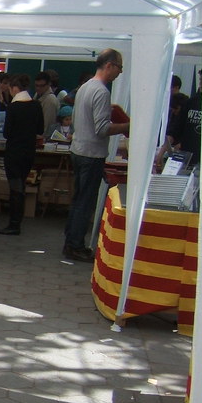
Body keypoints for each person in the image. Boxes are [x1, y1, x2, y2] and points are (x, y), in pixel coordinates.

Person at [63, 49, 129, 262]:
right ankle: (75, 245)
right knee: (85, 201)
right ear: (109, 65)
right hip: (91, 153)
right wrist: (128, 126)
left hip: (79, 149)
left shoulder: (84, 87)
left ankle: (70, 241)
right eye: (119, 67)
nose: (119, 73)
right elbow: (102, 129)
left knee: (78, 199)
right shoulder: (101, 91)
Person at [0, 73, 44, 236]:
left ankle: (14, 224)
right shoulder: (36, 105)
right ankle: (17, 222)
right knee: (21, 185)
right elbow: (40, 130)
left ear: (14, 88)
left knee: (15, 188)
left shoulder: (14, 107)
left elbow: (7, 133)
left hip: (14, 152)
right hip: (29, 151)